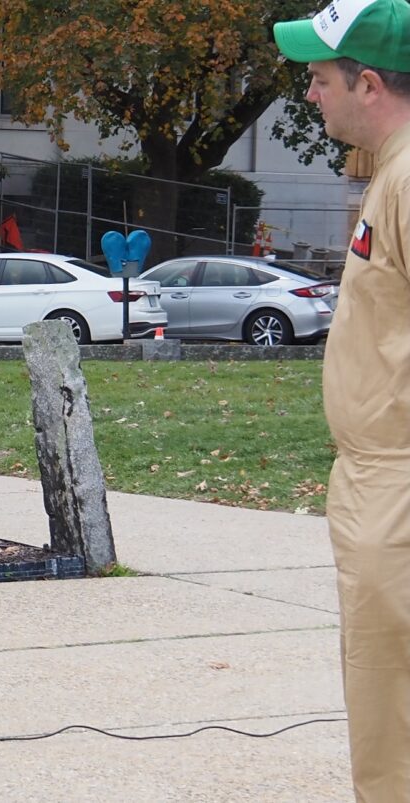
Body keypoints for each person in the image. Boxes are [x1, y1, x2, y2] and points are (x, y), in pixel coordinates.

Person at [274, 1, 410, 798]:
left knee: (396, 718)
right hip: (377, 479)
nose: (310, 93)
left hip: (399, 486)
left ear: (369, 83)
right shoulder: (391, 174)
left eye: (320, 77)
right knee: (384, 706)